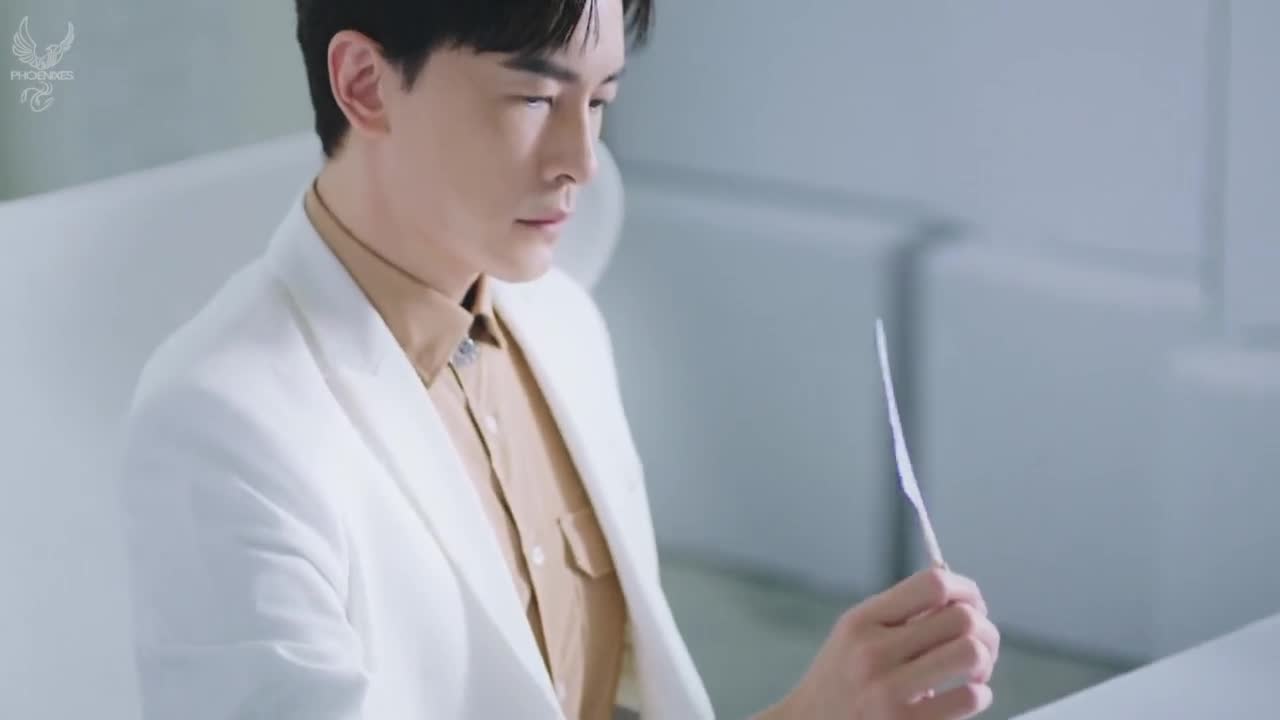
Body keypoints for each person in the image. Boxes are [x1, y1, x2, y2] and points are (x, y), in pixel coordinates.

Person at [115, 0, 1000, 718]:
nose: (584, 159)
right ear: (364, 84)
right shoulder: (221, 427)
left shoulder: (560, 320)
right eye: (535, 99)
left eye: (600, 99)